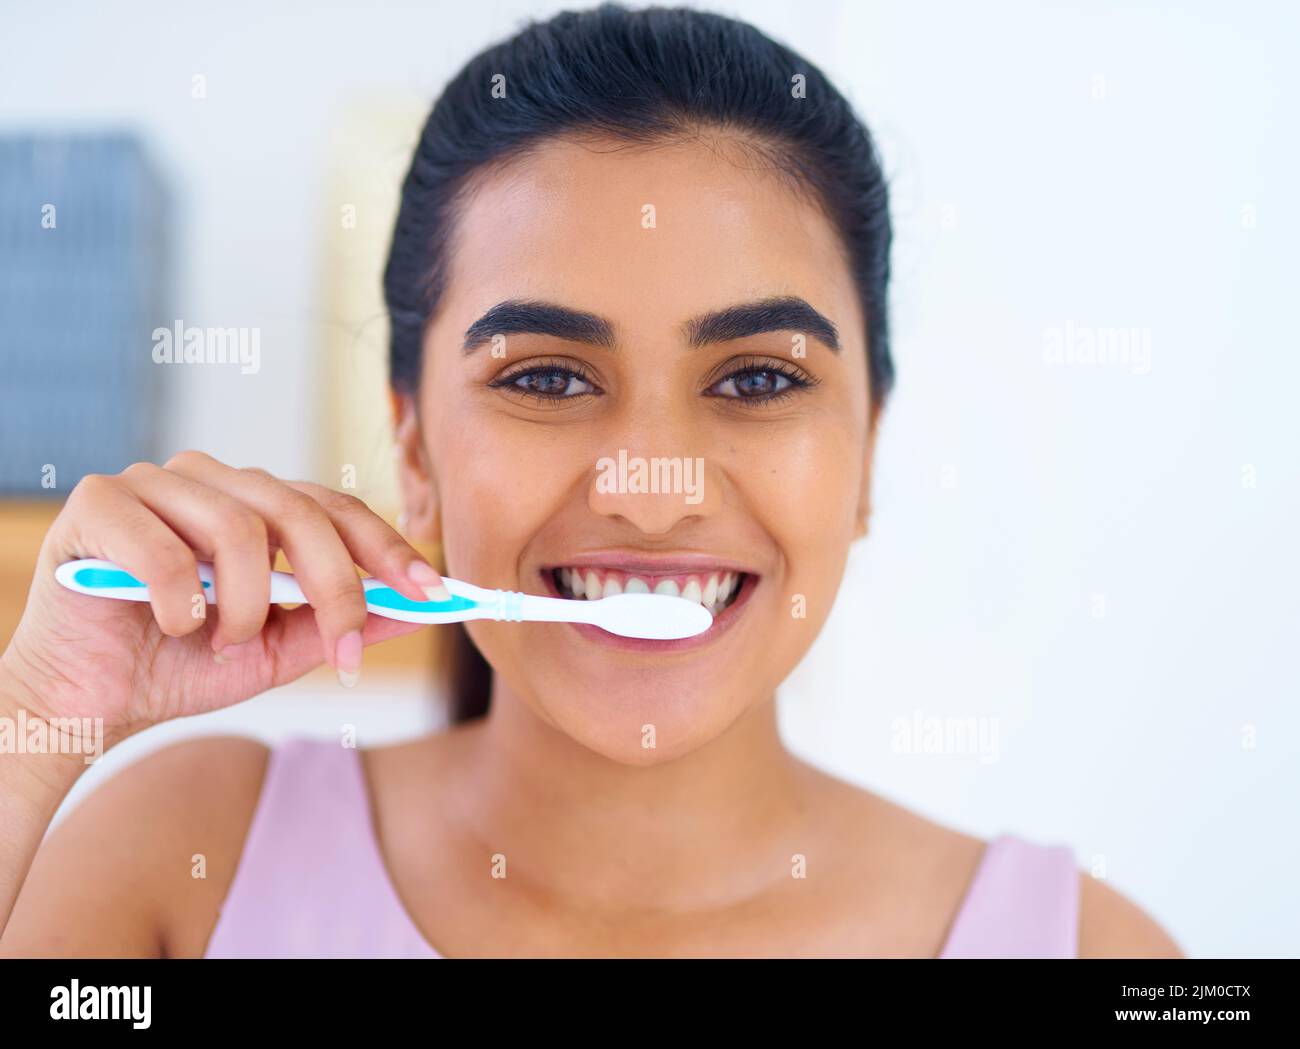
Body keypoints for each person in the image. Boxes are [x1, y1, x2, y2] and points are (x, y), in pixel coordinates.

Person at [0, 4, 1181, 958]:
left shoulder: (1089, 949)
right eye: (552, 378)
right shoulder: (181, 858)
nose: (653, 492)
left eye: (760, 379)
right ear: (411, 449)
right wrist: (34, 719)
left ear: (866, 447)